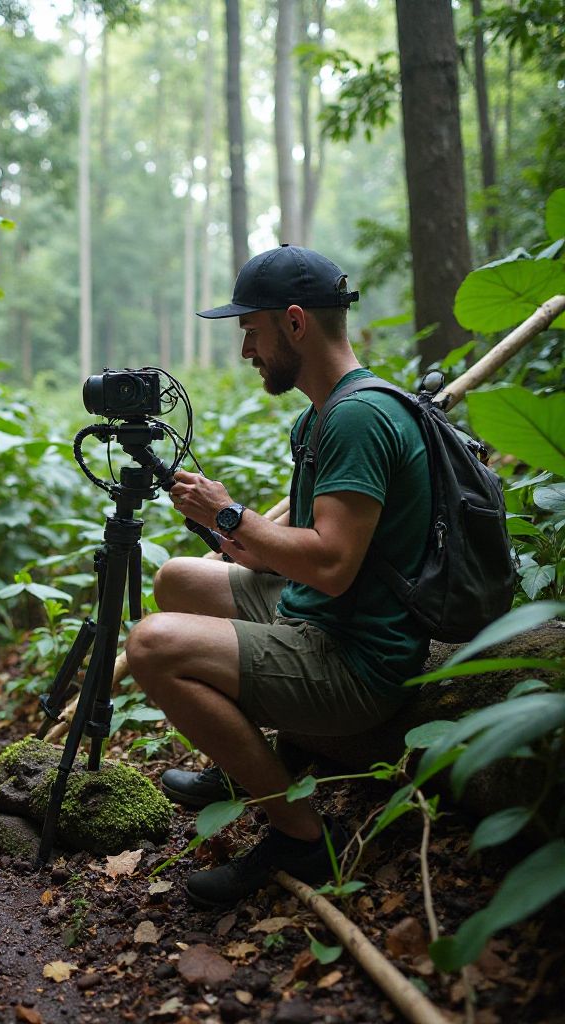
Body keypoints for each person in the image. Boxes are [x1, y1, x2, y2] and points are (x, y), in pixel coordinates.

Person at [125, 244, 432, 908]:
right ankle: (256, 765)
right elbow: (298, 551)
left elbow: (329, 564)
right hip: (322, 616)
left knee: (152, 644)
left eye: (251, 331)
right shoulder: (323, 415)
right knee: (179, 579)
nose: (246, 351)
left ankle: (301, 836)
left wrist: (232, 510)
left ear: (295, 323)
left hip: (357, 661)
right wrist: (229, 532)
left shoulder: (358, 418)